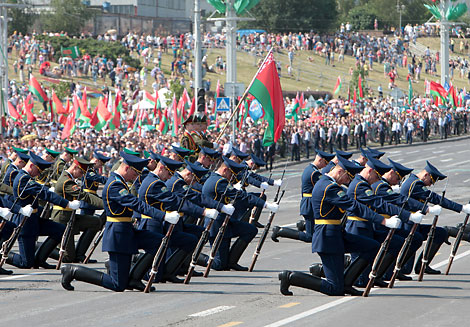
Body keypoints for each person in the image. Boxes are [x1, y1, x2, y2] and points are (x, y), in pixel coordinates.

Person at [61, 151, 179, 292]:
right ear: (127, 168)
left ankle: (134, 277)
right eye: (135, 174)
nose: (135, 178)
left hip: (127, 230)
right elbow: (136, 204)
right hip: (118, 234)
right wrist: (164, 216)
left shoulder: (120, 182)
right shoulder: (115, 185)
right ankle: (73, 271)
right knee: (117, 285)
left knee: (159, 242)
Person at [279, 156, 397, 296]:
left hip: (337, 234)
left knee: (371, 246)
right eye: (348, 179)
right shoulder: (329, 187)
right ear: (341, 172)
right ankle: (290, 277)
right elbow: (354, 206)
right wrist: (383, 221)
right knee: (334, 289)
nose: (348, 183)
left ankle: (347, 283)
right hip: (327, 237)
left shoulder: (329, 184)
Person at [200, 157, 279, 271]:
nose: (232, 178)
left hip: (225, 222)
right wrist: (266, 205)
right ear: (225, 170)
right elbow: (242, 197)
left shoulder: (215, 178)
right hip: (216, 225)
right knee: (219, 264)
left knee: (250, 230)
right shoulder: (219, 182)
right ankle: (194, 257)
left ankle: (232, 262)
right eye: (231, 174)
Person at [5, 152, 80, 270]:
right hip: (25, 224)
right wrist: (67, 204)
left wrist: (48, 189)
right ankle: (3, 253)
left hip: (34, 221)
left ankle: (39, 259)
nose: (38, 174)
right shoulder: (22, 179)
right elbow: (43, 194)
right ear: (31, 166)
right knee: (26, 263)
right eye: (38, 171)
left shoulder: (26, 178)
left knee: (60, 230)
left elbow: (40, 189)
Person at [400, 161, 470, 275]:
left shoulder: (414, 182)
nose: (430, 185)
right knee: (405, 270)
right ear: (426, 175)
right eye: (431, 181)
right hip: (407, 225)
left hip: (413, 224)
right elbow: (435, 198)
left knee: (440, 233)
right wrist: (462, 208)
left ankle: (423, 265)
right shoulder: (415, 184)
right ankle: (396, 268)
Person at [272, 149, 334, 243]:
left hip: (308, 203)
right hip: (309, 205)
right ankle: (281, 231)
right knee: (310, 237)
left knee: (315, 229)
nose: (325, 166)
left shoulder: (310, 169)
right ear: (320, 160)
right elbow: (324, 185)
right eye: (325, 163)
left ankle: (303, 225)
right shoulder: (314, 173)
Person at [50, 158, 103, 263]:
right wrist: (106, 205)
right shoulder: (66, 181)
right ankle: (39, 248)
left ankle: (79, 255)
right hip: (62, 219)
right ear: (75, 168)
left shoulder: (69, 179)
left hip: (70, 217)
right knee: (68, 258)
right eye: (81, 172)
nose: (82, 175)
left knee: (95, 222)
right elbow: (85, 196)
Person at [80, 151, 111, 216]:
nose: (100, 167)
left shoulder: (93, 170)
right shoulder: (88, 169)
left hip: (92, 198)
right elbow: (97, 178)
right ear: (96, 161)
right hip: (87, 199)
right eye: (100, 164)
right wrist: (111, 181)